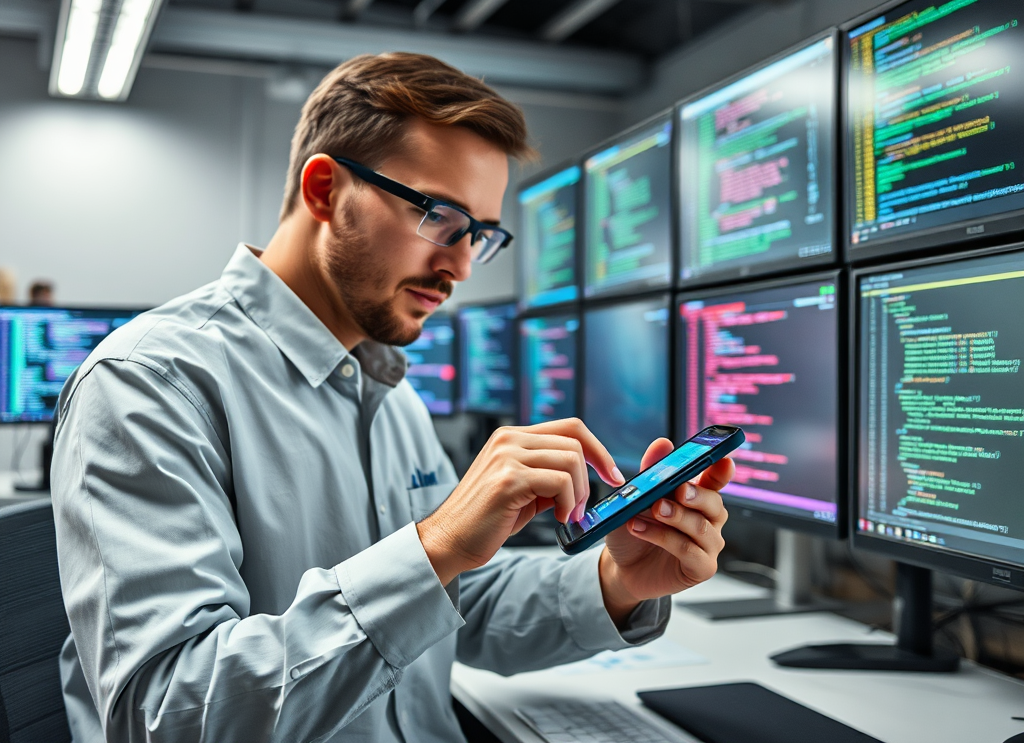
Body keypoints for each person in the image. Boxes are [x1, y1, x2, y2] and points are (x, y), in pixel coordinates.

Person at [51, 52, 733, 743]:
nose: (461, 266)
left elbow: (455, 607)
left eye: (481, 236)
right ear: (325, 191)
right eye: (441, 217)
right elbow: (166, 715)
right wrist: (434, 545)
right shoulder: (151, 383)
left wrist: (619, 581)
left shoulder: (383, 387)